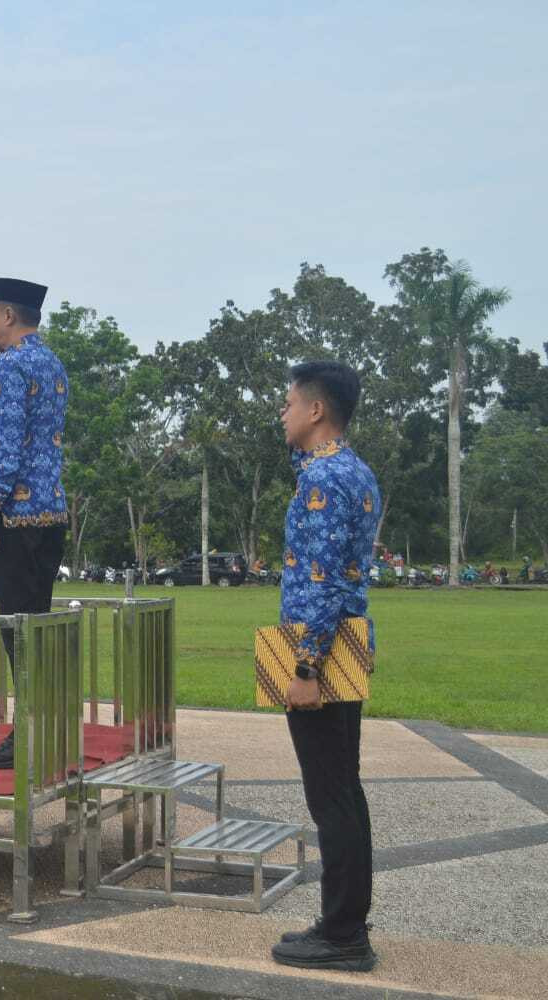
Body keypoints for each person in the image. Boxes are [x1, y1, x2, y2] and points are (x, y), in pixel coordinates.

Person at [268, 361, 380, 972]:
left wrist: (303, 665)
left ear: (316, 411)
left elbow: (323, 581)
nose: (281, 413)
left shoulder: (323, 480)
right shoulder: (349, 471)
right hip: (350, 643)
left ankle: (342, 935)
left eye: (289, 404)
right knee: (345, 791)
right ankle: (345, 922)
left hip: (323, 652)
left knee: (331, 795)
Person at [0, 277, 69, 770]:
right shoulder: (52, 363)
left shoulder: (10, 366)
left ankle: (27, 738)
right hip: (50, 514)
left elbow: (4, 449)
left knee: (20, 634)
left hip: (16, 517)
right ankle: (44, 731)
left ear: (9, 315)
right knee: (39, 630)